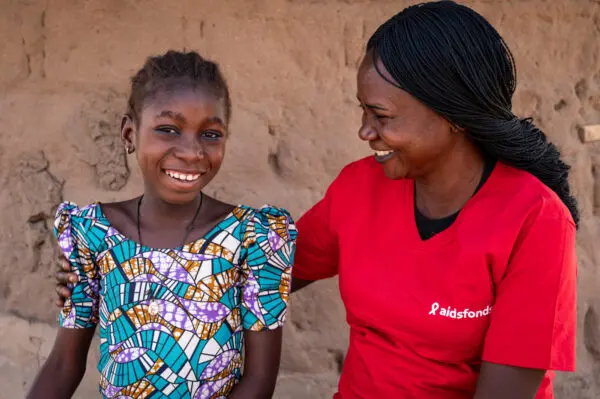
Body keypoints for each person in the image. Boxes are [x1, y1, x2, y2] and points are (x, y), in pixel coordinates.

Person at [54, 2, 577, 399]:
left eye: (382, 116)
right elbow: (254, 267)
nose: (365, 130)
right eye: (363, 111)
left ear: (452, 114)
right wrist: (116, 271)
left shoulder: (534, 221)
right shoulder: (360, 189)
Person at [30, 50, 296, 399]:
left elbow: (259, 382)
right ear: (129, 134)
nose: (191, 151)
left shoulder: (254, 238)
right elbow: (64, 365)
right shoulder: (91, 233)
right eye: (168, 129)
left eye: (211, 134)